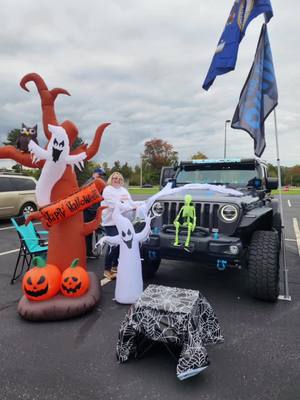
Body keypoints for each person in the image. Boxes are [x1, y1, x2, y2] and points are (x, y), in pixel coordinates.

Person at [101, 172, 138, 280]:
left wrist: (138, 205)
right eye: (114, 178)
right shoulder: (107, 190)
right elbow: (113, 205)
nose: (117, 180)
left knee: (121, 244)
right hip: (110, 222)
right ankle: (106, 270)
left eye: (119, 178)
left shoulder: (124, 190)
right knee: (113, 245)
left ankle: (115, 266)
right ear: (111, 179)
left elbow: (130, 203)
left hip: (122, 222)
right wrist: (128, 207)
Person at [84, 167, 106, 259]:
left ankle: (88, 252)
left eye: (102, 175)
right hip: (88, 211)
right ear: (94, 173)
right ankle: (87, 253)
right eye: (99, 174)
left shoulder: (99, 184)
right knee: (87, 233)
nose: (100, 176)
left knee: (90, 233)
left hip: (93, 210)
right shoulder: (90, 182)